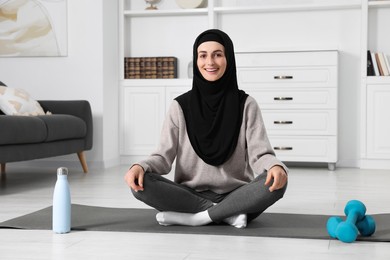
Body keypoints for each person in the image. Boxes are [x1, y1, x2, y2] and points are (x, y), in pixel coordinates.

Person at [124, 29, 288, 228]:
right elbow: (162, 158)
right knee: (141, 185)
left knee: (278, 183)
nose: (210, 62)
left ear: (228, 59)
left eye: (218, 54)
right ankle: (226, 214)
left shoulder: (246, 104)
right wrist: (139, 166)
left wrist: (276, 166)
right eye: (203, 56)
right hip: (190, 195)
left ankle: (198, 217)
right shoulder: (180, 106)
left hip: (237, 194)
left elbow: (260, 154)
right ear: (196, 60)